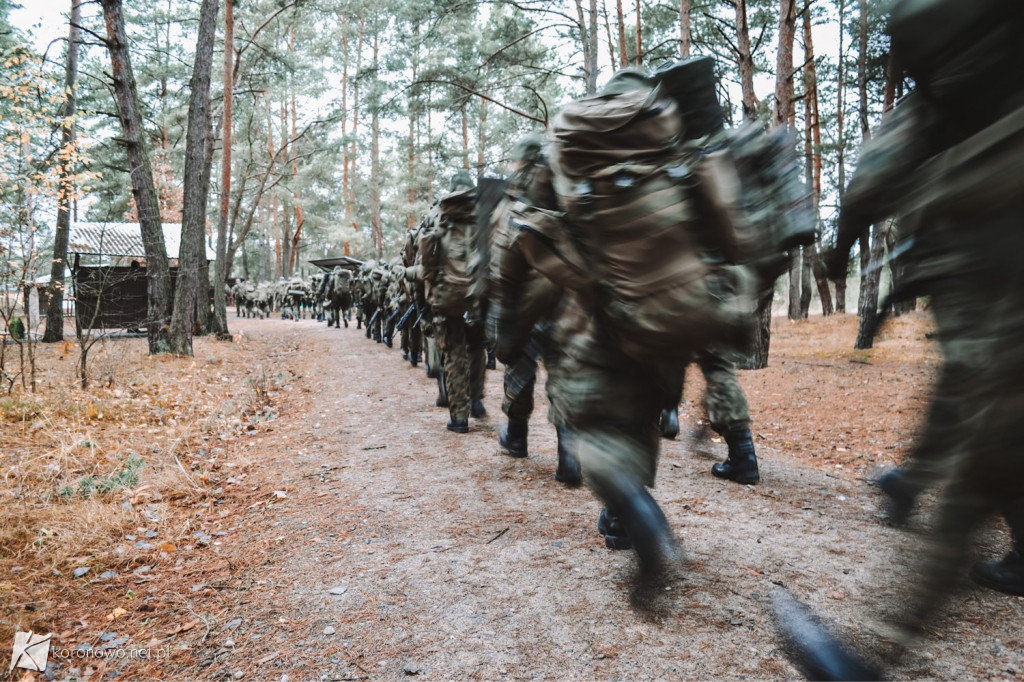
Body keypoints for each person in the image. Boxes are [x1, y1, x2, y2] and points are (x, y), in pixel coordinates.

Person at [775, 0, 1024, 677]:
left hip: (989, 295)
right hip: (985, 311)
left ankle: (875, 652)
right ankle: (919, 487)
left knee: (983, 443)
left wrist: (837, 253)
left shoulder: (930, 105)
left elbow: (864, 187)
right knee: (974, 411)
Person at [487, 133, 581, 485]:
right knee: (564, 377)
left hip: (524, 303)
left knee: (518, 371)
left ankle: (516, 438)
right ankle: (569, 460)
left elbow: (498, 266)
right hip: (566, 303)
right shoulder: (567, 201)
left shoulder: (509, 208)